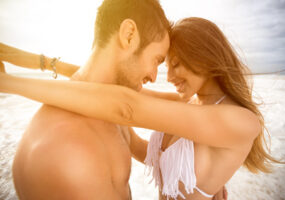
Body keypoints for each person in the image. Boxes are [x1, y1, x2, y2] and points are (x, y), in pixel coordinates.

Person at [1, 18, 274, 200]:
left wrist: (9, 83)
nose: (169, 76)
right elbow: (111, 85)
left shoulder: (240, 122)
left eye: (175, 63)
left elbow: (127, 106)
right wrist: (36, 61)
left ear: (203, 56)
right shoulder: (191, 106)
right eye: (164, 64)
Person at [0, 0, 174, 199]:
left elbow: (136, 144)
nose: (154, 76)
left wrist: (195, 176)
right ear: (129, 35)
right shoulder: (68, 152)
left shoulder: (108, 104)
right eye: (157, 60)